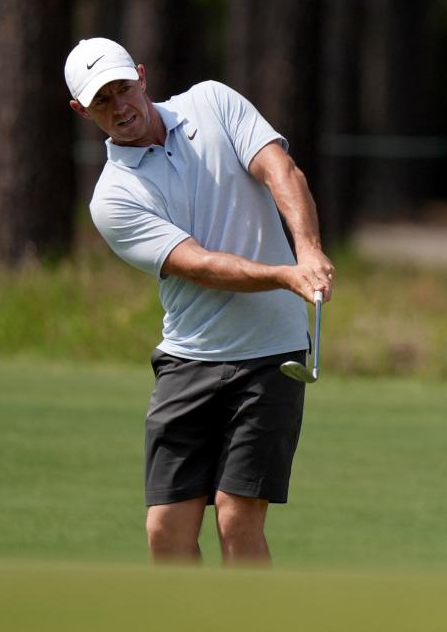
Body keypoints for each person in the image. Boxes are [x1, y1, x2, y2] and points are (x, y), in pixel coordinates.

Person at [64, 37, 335, 565]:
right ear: (81, 110)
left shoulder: (212, 101)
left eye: (123, 88)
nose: (119, 106)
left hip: (272, 355)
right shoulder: (113, 197)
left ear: (141, 76)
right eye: (101, 101)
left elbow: (281, 170)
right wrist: (287, 275)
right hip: (190, 359)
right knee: (165, 528)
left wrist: (309, 249)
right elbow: (202, 266)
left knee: (238, 517)